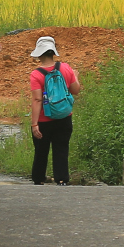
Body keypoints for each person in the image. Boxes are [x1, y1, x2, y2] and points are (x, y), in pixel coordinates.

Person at [27, 35, 81, 185]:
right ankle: (62, 179)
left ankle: (38, 179)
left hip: (45, 119)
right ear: (53, 52)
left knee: (41, 151)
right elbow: (75, 90)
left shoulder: (36, 74)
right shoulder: (65, 68)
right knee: (61, 150)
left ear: (39, 54)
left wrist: (34, 124)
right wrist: (75, 77)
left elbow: (37, 100)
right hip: (64, 117)